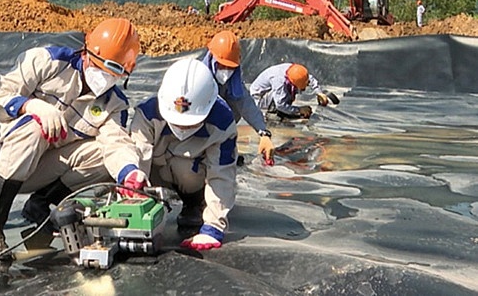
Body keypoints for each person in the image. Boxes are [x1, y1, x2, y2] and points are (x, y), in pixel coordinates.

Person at [0, 18, 146, 259]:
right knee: (35, 125)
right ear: (85, 52)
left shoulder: (114, 105)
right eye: (98, 65)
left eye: (114, 71)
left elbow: (116, 142)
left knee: (101, 154)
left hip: (36, 168)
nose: (104, 76)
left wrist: (130, 172)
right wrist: (31, 106)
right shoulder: (46, 62)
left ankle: (40, 204)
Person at [128, 57, 237, 251]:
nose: (181, 127)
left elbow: (221, 175)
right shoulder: (147, 113)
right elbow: (138, 155)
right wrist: (134, 201)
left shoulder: (222, 123)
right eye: (176, 121)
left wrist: (212, 228)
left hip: (190, 177)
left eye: (189, 123)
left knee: (185, 168)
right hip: (155, 172)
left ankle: (194, 204)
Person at [202, 31, 274, 165]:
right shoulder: (198, 78)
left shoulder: (233, 81)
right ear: (211, 57)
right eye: (221, 65)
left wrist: (264, 133)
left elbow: (246, 104)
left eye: (229, 67)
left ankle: (219, 145)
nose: (225, 71)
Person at [249, 63, 332, 121]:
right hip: (258, 98)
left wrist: (319, 92)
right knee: (282, 97)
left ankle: (285, 110)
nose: (307, 86)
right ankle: (272, 113)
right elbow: (280, 105)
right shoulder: (279, 82)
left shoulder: (294, 71)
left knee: (287, 93)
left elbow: (308, 78)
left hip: (275, 89)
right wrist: (299, 110)